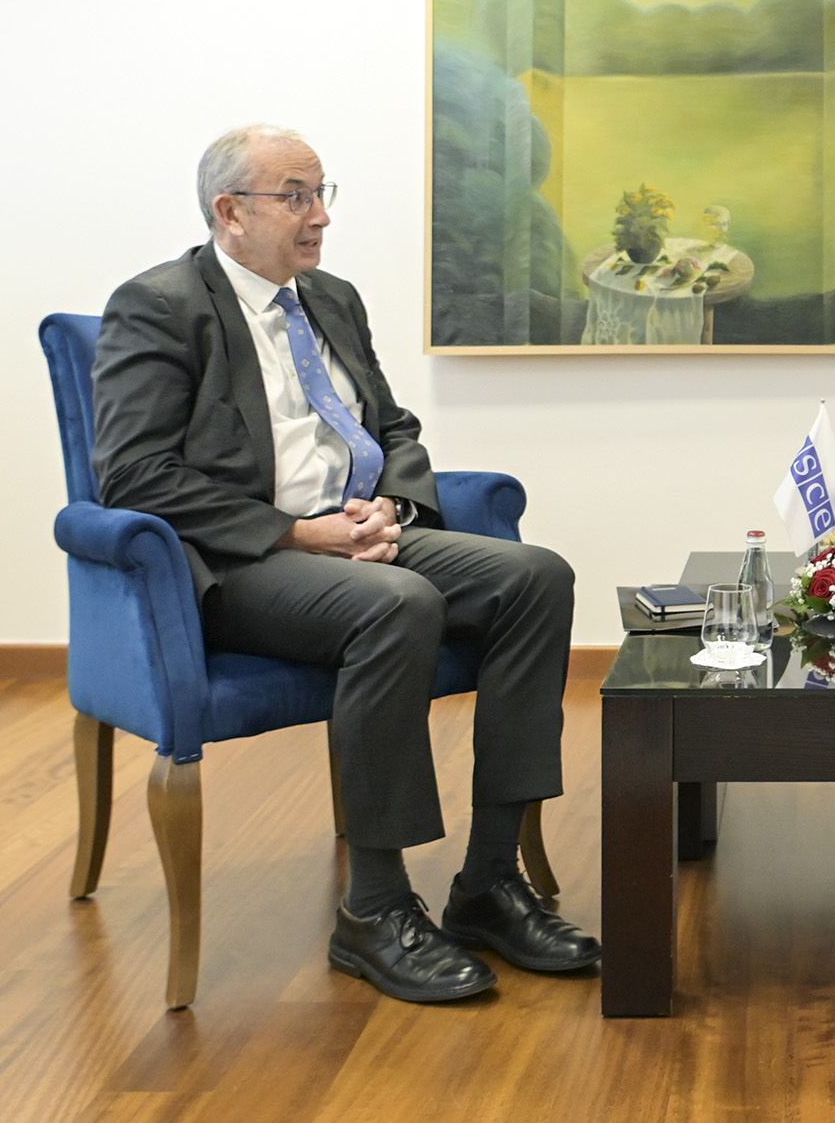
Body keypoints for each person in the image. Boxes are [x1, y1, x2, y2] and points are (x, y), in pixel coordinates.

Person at [92, 124, 598, 1003]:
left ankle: (489, 881)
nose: (320, 215)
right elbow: (134, 473)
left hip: (360, 532)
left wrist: (392, 506)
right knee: (396, 602)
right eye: (295, 196)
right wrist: (299, 533)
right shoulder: (159, 305)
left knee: (535, 577)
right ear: (230, 211)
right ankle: (375, 908)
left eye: (322, 193)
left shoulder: (331, 298)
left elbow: (391, 425)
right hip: (247, 560)